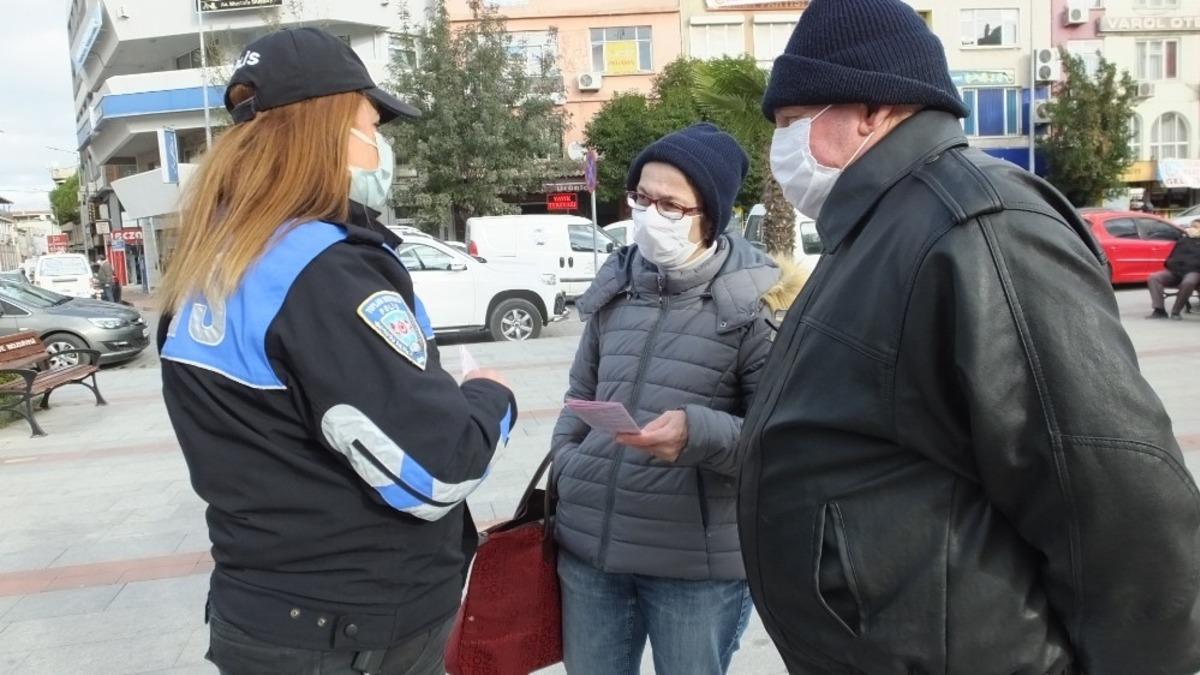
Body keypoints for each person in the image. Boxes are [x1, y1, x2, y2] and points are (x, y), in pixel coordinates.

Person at [737, 1, 1200, 673]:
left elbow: (1117, 494)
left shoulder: (979, 226)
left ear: (872, 109)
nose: (780, 148)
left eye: (791, 123)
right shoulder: (878, 226)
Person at [157, 28, 516, 675]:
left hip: (261, 609)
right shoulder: (322, 270)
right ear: (327, 129)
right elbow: (439, 470)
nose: (379, 145)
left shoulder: (209, 261)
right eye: (370, 124)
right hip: (351, 628)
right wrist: (492, 396)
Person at [551, 123, 803, 675]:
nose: (649, 215)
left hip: (695, 570)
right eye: (641, 198)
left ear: (711, 216)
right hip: (591, 553)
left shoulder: (756, 306)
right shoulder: (617, 286)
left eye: (670, 205)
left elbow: (781, 441)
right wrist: (569, 465)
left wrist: (698, 433)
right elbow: (579, 396)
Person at [1148, 219, 1200, 319]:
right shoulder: (1184, 240)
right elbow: (1173, 256)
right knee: (1154, 277)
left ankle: (1176, 311)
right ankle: (1159, 310)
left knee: (1188, 282)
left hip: (1194, 271)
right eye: (1191, 226)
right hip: (1176, 271)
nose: (1191, 229)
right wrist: (1171, 264)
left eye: (1195, 227)